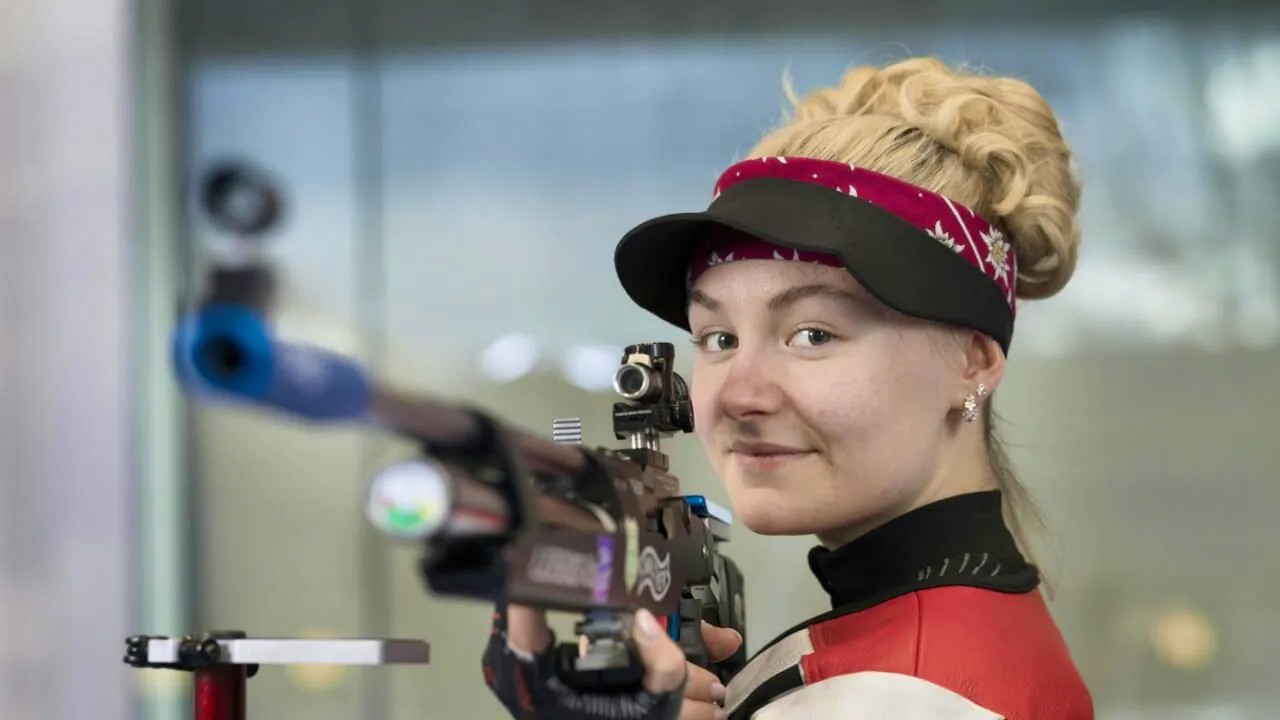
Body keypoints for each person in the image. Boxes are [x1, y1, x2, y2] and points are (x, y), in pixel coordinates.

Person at [482, 56, 1093, 719]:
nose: (739, 394)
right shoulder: (946, 635)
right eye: (718, 338)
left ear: (971, 364)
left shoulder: (902, 698)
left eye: (812, 334)